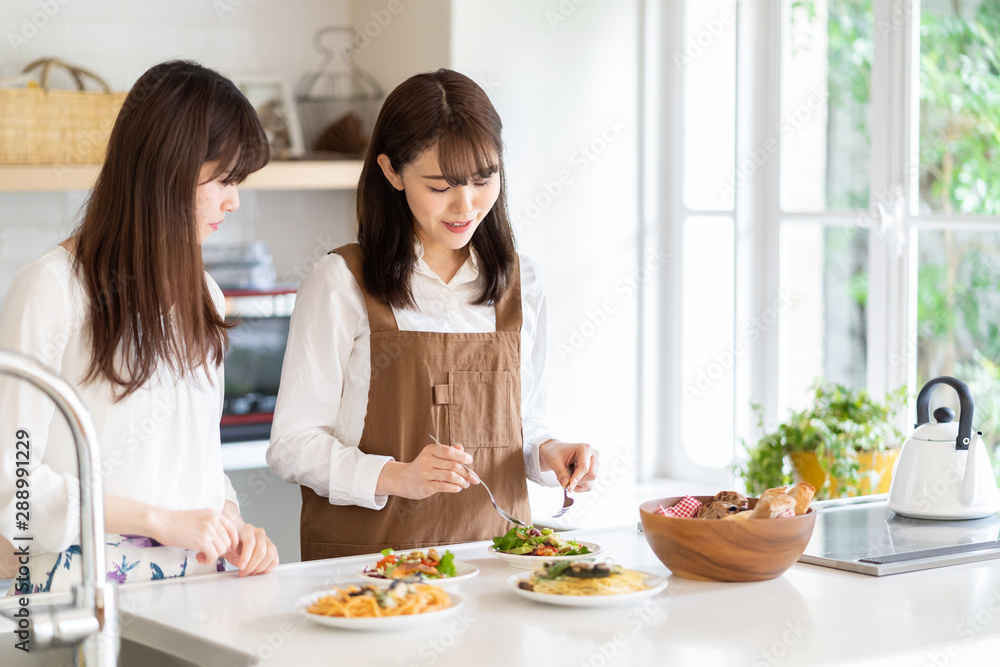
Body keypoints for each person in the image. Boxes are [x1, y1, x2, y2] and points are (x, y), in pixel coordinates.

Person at [267, 68, 600, 560]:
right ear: (391, 171)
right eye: (440, 186)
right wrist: (396, 476)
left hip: (496, 564)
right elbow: (291, 444)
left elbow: (523, 419)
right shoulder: (340, 280)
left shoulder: (521, 283)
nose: (466, 206)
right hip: (370, 571)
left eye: (484, 179)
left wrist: (549, 452)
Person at [0, 60, 279, 593]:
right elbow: (14, 491)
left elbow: (198, 465)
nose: (233, 200)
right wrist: (158, 521)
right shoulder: (50, 288)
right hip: (86, 599)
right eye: (222, 179)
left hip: (199, 589)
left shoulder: (205, 295)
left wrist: (232, 524)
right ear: (166, 169)